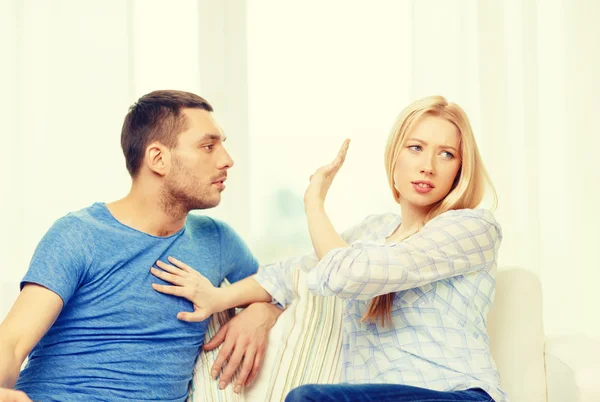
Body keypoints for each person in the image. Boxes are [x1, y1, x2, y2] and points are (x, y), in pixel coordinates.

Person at [150, 95, 506, 401]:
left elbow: (349, 274)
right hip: (376, 394)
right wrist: (217, 298)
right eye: (416, 148)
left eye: (446, 154)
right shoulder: (374, 231)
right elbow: (295, 273)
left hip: (458, 395)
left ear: (461, 168)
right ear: (394, 157)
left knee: (309, 399)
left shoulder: (472, 228)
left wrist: (314, 202)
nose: (428, 167)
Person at [0, 90, 281, 402]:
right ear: (158, 158)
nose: (227, 160)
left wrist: (263, 312)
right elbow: (12, 343)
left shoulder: (217, 240)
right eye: (208, 146)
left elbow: (280, 286)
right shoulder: (80, 234)